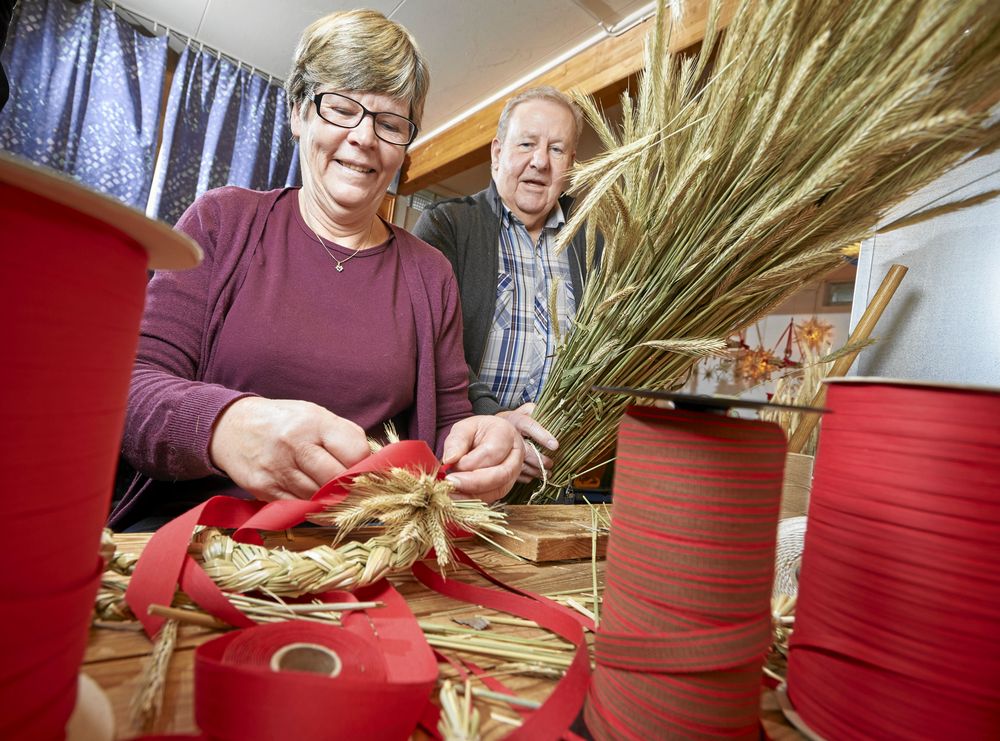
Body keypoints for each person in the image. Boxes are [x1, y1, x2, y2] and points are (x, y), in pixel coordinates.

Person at [110, 10, 522, 530]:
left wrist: (487, 445)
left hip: (362, 551)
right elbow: (130, 391)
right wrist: (224, 426)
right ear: (299, 114)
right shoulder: (223, 220)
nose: (364, 138)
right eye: (341, 108)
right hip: (193, 537)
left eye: (390, 123)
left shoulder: (431, 274)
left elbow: (450, 429)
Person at [413, 87, 593, 483]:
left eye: (557, 150)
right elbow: (426, 348)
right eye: (526, 143)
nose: (540, 161)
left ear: (572, 165)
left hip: (554, 475)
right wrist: (495, 420)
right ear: (497, 152)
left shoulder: (592, 242)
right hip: (464, 463)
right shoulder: (448, 226)